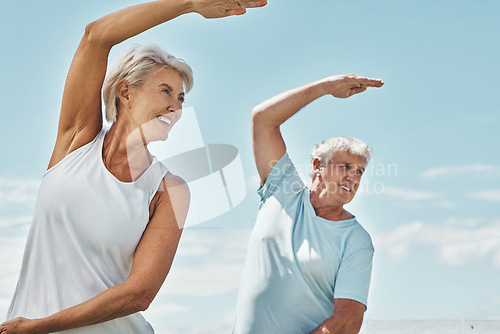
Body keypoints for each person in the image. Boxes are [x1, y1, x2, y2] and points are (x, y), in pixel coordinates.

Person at [1, 0, 267, 333]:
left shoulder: (170, 190)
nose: (175, 106)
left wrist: (39, 326)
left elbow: (139, 294)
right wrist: (189, 4)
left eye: (181, 99)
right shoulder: (76, 141)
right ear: (126, 92)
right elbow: (95, 37)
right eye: (165, 91)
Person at [232, 74, 384, 334]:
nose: (353, 176)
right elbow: (263, 119)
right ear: (317, 166)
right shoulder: (282, 190)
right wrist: (325, 88)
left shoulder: (356, 240)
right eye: (346, 166)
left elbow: (347, 322)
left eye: (359, 171)